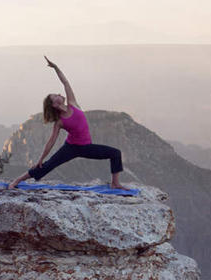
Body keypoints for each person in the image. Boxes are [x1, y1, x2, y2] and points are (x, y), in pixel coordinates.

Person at [8, 56, 125, 190]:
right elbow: (51, 141)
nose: (59, 94)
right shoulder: (59, 122)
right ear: (54, 104)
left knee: (115, 153)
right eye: (55, 96)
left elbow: (65, 83)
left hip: (87, 147)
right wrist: (40, 159)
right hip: (70, 148)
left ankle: (115, 183)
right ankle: (17, 180)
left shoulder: (72, 103)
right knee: (47, 166)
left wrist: (55, 68)